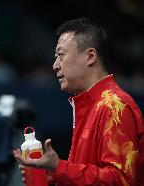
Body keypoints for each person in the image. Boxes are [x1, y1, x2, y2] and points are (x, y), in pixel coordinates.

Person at [13, 18, 144, 185]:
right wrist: (54, 176)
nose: (55, 65)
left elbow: (120, 181)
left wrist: (59, 167)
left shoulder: (114, 106)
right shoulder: (89, 105)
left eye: (61, 55)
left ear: (90, 56)